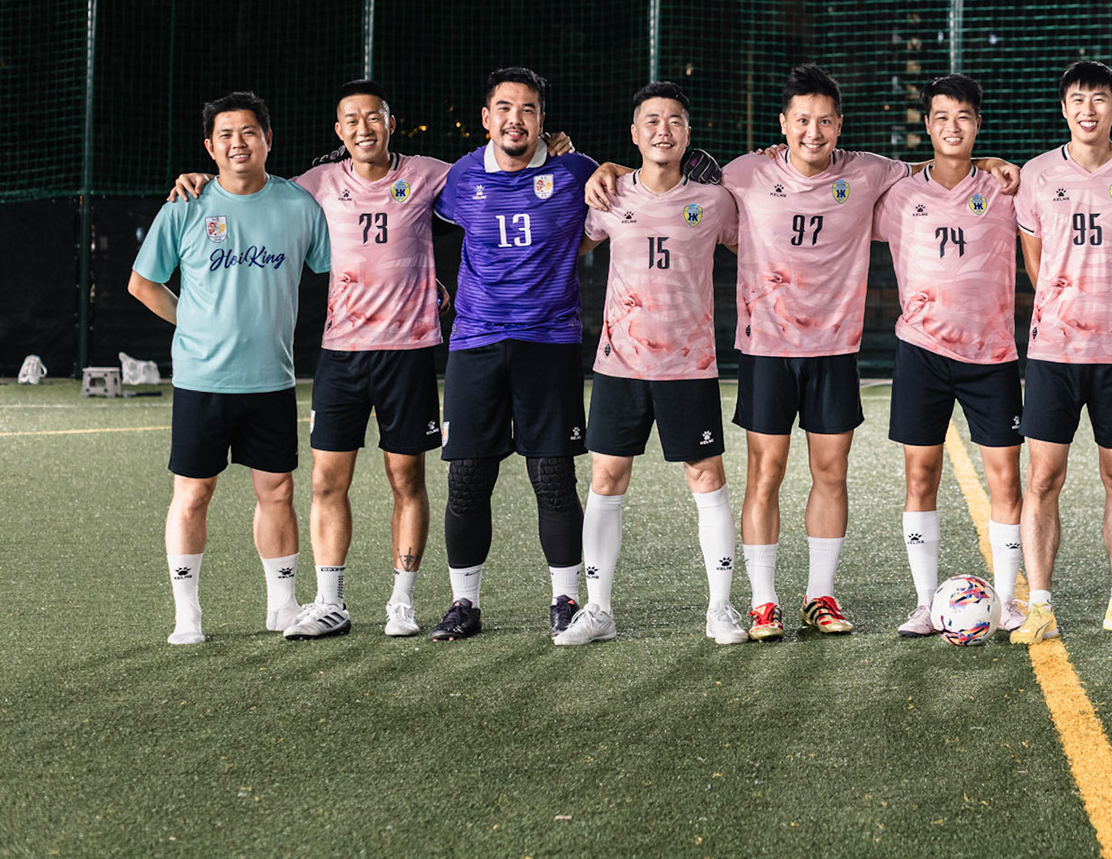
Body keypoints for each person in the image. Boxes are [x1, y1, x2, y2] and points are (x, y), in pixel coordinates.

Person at [586, 63, 1015, 641]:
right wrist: (609, 166)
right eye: (802, 120)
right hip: (765, 349)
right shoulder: (740, 175)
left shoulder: (869, 174)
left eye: (825, 121)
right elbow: (668, 173)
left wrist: (987, 162)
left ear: (840, 126)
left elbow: (935, 167)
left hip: (834, 351)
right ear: (783, 124)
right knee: (765, 473)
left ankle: (820, 596)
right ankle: (763, 602)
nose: (814, 132)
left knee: (830, 473)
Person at [172, 79, 452, 640]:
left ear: (390, 123)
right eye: (351, 120)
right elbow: (251, 188)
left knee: (406, 477)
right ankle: (330, 602)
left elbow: (497, 169)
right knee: (326, 481)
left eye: (373, 118)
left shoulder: (428, 173)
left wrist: (564, 152)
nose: (363, 128)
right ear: (338, 131)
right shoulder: (316, 185)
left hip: (409, 352)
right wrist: (202, 181)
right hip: (341, 354)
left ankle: (402, 601)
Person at [128, 92, 331, 645]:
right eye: (225, 135)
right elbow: (142, 283)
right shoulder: (186, 206)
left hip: (272, 379)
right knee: (193, 494)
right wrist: (188, 324)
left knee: (278, 491)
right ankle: (187, 615)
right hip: (202, 381)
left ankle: (284, 606)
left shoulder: (299, 206)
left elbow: (339, 266)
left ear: (269, 139)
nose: (237, 143)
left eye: (248, 132)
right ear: (209, 147)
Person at [553, 82, 749, 647]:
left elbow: (759, 246)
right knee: (607, 478)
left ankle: (720, 608)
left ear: (688, 134)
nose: (664, 130)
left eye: (675, 122)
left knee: (706, 478)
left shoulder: (715, 203)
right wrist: (584, 171)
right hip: (620, 365)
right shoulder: (609, 197)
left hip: (690, 367)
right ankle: (598, 610)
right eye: (652, 121)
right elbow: (569, 241)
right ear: (635, 133)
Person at [428, 68, 600, 642]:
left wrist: (616, 167)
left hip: (548, 342)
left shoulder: (576, 171)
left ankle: (565, 598)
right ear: (486, 118)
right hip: (474, 343)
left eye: (527, 109)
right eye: (504, 108)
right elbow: (402, 219)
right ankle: (464, 604)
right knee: (468, 480)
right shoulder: (459, 177)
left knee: (552, 477)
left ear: (543, 121)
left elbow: (627, 193)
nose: (515, 119)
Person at [1009, 61, 1112, 645]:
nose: (1087, 109)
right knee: (1043, 477)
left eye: (1099, 99)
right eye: (1077, 99)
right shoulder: (1035, 174)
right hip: (1053, 350)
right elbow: (1034, 261)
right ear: (1063, 108)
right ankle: (1041, 606)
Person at [872, 74, 1027, 637]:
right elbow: (833, 197)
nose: (952, 126)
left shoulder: (1009, 189)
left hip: (992, 355)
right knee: (920, 476)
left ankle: (1008, 600)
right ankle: (922, 602)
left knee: (1005, 480)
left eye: (963, 116)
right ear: (928, 125)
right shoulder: (900, 194)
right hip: (921, 352)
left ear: (977, 124)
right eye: (941, 117)